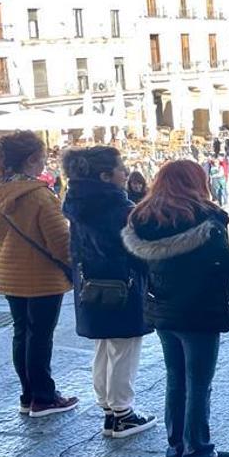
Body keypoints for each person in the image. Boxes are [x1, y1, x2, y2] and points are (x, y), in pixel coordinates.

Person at [123, 160, 229, 457]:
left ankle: (175, 447)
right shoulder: (207, 220)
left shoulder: (141, 218)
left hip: (162, 311)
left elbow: (136, 265)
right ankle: (198, 452)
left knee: (175, 378)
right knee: (198, 382)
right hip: (201, 312)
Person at [0, 131, 78, 418]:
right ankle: (45, 397)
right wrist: (74, 265)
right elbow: (61, 243)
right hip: (43, 278)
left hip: (8, 276)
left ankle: (28, 395)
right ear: (32, 159)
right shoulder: (39, 195)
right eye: (43, 158)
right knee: (40, 336)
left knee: (22, 333)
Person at [62, 147, 155, 438]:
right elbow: (137, 251)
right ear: (105, 176)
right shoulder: (118, 208)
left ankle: (108, 409)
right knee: (124, 348)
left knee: (104, 347)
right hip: (121, 285)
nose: (125, 172)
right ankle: (123, 413)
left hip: (90, 285)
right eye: (120, 168)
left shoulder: (78, 204)